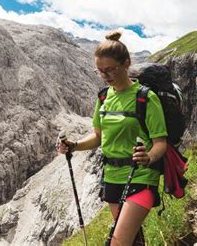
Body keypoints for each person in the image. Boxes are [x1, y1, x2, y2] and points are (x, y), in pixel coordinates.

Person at [56, 30, 167, 246]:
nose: (106, 76)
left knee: (117, 242)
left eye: (110, 70)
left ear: (126, 64)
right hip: (112, 178)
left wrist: (148, 157)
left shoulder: (145, 98)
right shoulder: (104, 97)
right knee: (132, 240)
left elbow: (160, 143)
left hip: (141, 176)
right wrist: (74, 146)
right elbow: (98, 136)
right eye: (100, 71)